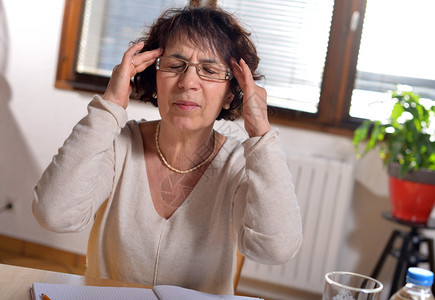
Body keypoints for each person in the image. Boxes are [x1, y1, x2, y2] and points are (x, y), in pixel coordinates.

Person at [32, 6, 302, 295]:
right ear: (155, 80)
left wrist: (261, 132)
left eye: (209, 70)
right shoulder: (117, 144)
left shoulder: (237, 164)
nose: (187, 82)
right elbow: (54, 215)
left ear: (230, 94)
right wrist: (110, 104)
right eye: (175, 66)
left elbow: (277, 250)